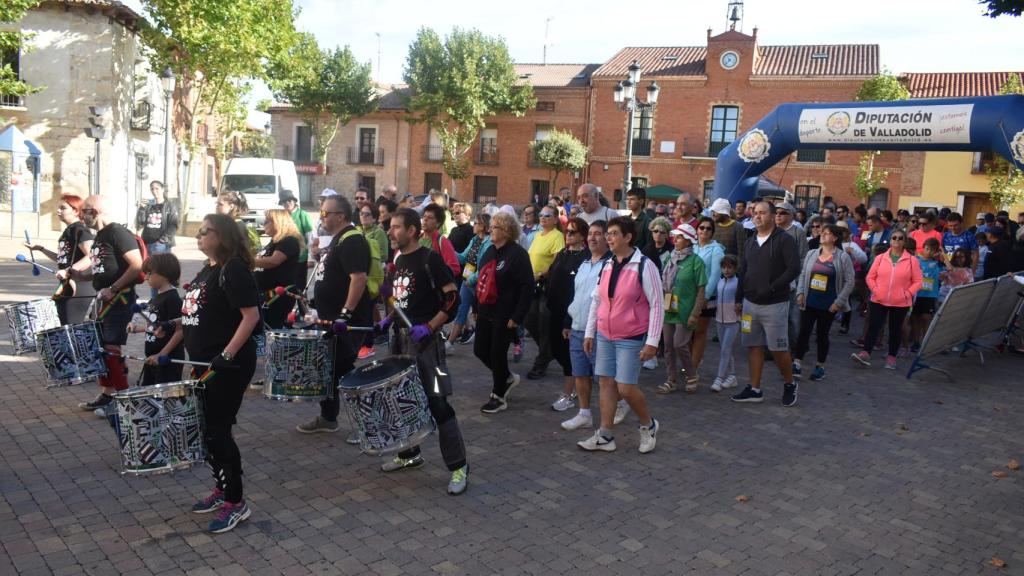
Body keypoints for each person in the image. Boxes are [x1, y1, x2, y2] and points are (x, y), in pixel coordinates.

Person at [377, 208, 469, 495]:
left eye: (396, 227)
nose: (391, 232)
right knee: (402, 398)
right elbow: (398, 300)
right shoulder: (397, 259)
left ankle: (458, 467)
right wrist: (388, 319)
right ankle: (409, 454)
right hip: (401, 343)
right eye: (390, 227)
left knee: (439, 402)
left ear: (413, 231)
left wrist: (429, 327)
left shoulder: (431, 259)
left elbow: (452, 298)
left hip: (431, 348)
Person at [180, 213, 261, 534]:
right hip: (205, 364)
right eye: (199, 232)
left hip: (227, 366)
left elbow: (251, 316)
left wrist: (226, 354)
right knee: (208, 429)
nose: (199, 236)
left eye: (206, 232)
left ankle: (236, 501)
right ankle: (222, 488)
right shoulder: (208, 269)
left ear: (223, 237)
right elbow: (202, 312)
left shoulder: (234, 269)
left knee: (218, 430)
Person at [577, 217, 663, 453]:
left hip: (630, 336)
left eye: (614, 234)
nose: (609, 238)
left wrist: (653, 341)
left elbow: (657, 304)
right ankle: (605, 435)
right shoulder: (608, 264)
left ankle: (648, 424)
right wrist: (590, 332)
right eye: (608, 234)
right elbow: (598, 300)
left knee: (625, 387)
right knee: (605, 382)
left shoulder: (645, 265)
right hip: (605, 334)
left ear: (628, 237)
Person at [296, 196, 372, 441]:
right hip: (330, 320)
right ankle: (329, 418)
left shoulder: (352, 240)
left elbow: (358, 278)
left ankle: (367, 423)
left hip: (345, 323)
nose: (322, 216)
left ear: (340, 215)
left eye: (326, 213)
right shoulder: (339, 240)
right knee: (330, 369)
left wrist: (345, 314)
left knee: (343, 372)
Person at [60, 195, 142, 413]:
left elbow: (136, 265)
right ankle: (107, 394)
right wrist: (80, 275)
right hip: (105, 299)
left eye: (85, 210)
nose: (81, 215)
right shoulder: (99, 237)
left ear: (96, 211)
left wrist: (113, 288)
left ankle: (123, 399)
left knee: (111, 348)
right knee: (100, 347)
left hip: (120, 298)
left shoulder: (118, 232)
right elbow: (101, 271)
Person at [560, 220, 632, 430]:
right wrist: (568, 321)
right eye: (590, 234)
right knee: (580, 373)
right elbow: (577, 295)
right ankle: (584, 413)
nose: (592, 237)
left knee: (603, 376)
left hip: (600, 330)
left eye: (598, 234)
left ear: (607, 238)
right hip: (577, 327)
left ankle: (619, 404)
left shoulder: (611, 265)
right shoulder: (582, 263)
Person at [731, 201, 801, 407]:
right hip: (750, 304)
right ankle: (754, 388)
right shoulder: (751, 240)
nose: (757, 216)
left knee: (778, 348)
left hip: (774, 304)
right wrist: (738, 297)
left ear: (772, 216)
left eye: (762, 213)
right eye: (755, 213)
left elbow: (794, 268)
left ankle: (790, 383)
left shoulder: (784, 240)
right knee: (753, 346)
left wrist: (772, 287)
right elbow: (743, 270)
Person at [474, 211, 534, 413]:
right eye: (491, 226)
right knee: (480, 350)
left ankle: (498, 395)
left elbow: (527, 287)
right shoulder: (490, 251)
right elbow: (482, 280)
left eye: (496, 227)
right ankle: (506, 377)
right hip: (485, 311)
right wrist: (476, 307)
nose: (491, 229)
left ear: (507, 231)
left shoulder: (518, 254)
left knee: (497, 353)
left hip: (505, 313)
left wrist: (517, 317)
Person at [792, 224, 855, 382]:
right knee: (803, 332)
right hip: (809, 301)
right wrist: (800, 293)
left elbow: (850, 282)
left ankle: (820, 366)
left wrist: (839, 302)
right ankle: (797, 363)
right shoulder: (812, 253)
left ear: (834, 238)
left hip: (829, 304)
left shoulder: (842, 257)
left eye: (826, 234)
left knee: (822, 335)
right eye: (822, 233)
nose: (822, 235)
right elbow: (803, 274)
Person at [852, 230, 922, 370]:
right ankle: (866, 352)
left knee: (895, 329)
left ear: (904, 242)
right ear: (890, 240)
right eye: (894, 237)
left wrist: (907, 294)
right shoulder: (880, 258)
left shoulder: (912, 260)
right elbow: (870, 277)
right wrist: (876, 290)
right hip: (879, 298)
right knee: (874, 326)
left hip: (900, 301)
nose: (896, 240)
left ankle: (891, 357)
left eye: (900, 238)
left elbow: (918, 281)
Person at [24, 194, 95, 324]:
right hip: (69, 283)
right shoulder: (70, 230)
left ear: (75, 211)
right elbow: (62, 259)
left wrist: (68, 270)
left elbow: (91, 256)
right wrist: (41, 249)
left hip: (80, 285)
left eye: (63, 208)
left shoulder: (80, 230)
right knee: (63, 326)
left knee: (69, 327)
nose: (58, 211)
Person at [545, 217, 590, 410]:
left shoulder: (585, 258)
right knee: (556, 350)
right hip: (554, 309)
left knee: (568, 355)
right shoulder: (563, 253)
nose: (568, 235)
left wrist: (569, 319)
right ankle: (577, 388)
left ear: (582, 236)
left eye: (572, 232)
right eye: (567, 231)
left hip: (571, 313)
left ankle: (569, 393)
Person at [657, 223, 707, 394]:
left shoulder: (696, 262)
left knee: (680, 344)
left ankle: (691, 375)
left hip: (686, 310)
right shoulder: (669, 258)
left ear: (688, 240)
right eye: (675, 237)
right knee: (668, 346)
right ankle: (671, 380)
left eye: (679, 237)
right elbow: (663, 284)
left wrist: (695, 313)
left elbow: (701, 289)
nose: (675, 240)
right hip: (668, 307)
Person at [130, 253, 184, 386]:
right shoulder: (156, 297)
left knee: (164, 399)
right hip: (152, 357)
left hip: (166, 359)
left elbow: (180, 329)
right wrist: (138, 329)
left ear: (164, 274)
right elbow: (159, 325)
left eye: (149, 273)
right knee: (148, 393)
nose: (146, 277)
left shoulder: (172, 299)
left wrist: (161, 354)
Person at [525, 205, 565, 380]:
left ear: (556, 219)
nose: (542, 217)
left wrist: (542, 274)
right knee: (529, 320)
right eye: (540, 214)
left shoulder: (557, 237)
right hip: (532, 285)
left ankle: (541, 362)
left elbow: (557, 262)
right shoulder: (538, 236)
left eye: (547, 215)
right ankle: (548, 352)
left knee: (544, 323)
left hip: (546, 286)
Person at [447, 213, 492, 349]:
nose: (474, 225)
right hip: (467, 282)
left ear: (484, 226)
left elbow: (484, 267)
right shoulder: (474, 239)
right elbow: (462, 257)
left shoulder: (489, 242)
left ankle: (489, 342)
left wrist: (471, 279)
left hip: (479, 284)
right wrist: (449, 250)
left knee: (482, 314)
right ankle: (450, 343)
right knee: (461, 310)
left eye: (476, 223)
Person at [254, 209, 303, 329]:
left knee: (272, 328)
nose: (263, 224)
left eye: (267, 221)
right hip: (265, 293)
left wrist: (247, 260)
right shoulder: (273, 242)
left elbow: (273, 261)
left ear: (278, 222)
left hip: (277, 295)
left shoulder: (288, 241)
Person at [690, 216, 724, 381]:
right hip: (689, 295)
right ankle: (689, 362)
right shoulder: (692, 246)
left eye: (708, 228)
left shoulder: (716, 250)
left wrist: (705, 296)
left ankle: (693, 368)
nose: (704, 231)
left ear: (712, 232)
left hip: (706, 297)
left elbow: (716, 274)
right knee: (688, 331)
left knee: (700, 332)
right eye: (701, 227)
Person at [774, 201, 809, 350]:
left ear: (791, 215)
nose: (778, 215)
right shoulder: (772, 230)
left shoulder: (797, 232)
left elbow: (803, 257)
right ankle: (775, 346)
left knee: (791, 317)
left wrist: (797, 278)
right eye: (776, 212)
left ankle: (796, 347)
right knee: (775, 316)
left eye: (782, 213)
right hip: (774, 279)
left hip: (792, 280)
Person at [906, 237, 942, 356]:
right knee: (915, 319)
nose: (929, 252)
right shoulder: (915, 260)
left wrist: (943, 254)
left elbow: (950, 268)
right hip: (917, 295)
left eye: (932, 250)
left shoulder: (938, 263)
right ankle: (916, 342)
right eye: (927, 249)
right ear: (923, 247)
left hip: (930, 296)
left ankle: (926, 342)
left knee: (926, 319)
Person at [710, 255, 741, 392]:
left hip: (733, 321)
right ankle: (732, 376)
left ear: (735, 268)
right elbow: (717, 301)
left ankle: (719, 378)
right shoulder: (720, 282)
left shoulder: (738, 283)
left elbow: (742, 300)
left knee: (725, 349)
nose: (726, 270)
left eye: (729, 267)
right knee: (725, 349)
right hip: (719, 320)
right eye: (724, 267)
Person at [281, 192, 314, 306]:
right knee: (287, 286)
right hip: (285, 258)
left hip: (301, 257)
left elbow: (311, 237)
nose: (287, 203)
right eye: (284, 202)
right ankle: (288, 312)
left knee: (300, 287)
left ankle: (303, 311)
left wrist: (310, 257)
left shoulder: (302, 215)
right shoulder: (283, 216)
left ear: (294, 201)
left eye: (289, 200)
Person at [134, 180, 179, 256]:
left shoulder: (170, 206)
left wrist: (162, 241)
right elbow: (141, 223)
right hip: (147, 243)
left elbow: (173, 226)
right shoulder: (148, 205)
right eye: (152, 189)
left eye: (157, 188)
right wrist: (142, 209)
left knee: (161, 266)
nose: (154, 191)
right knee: (149, 267)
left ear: (162, 189)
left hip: (161, 244)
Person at [419, 204, 461, 278]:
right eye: (424, 216)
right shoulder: (416, 238)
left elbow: (455, 268)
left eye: (430, 218)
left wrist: (435, 276)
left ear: (438, 223)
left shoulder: (442, 241)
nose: (425, 219)